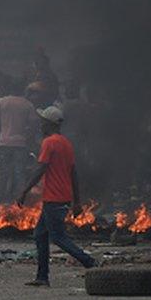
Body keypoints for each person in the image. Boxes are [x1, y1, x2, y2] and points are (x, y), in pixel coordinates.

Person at [18, 106, 96, 287]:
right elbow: (73, 173)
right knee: (40, 235)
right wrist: (76, 201)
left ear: (49, 123)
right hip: (61, 197)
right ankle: (42, 277)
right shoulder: (66, 143)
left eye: (42, 121)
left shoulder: (49, 142)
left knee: (58, 237)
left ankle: (89, 261)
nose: (40, 124)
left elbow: (41, 168)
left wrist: (24, 191)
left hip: (54, 198)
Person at [0, 83, 40, 202]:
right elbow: (35, 124)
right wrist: (28, 136)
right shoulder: (27, 104)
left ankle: (1, 200)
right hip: (20, 143)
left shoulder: (2, 102)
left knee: (4, 172)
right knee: (19, 172)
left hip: (4, 142)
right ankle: (20, 200)